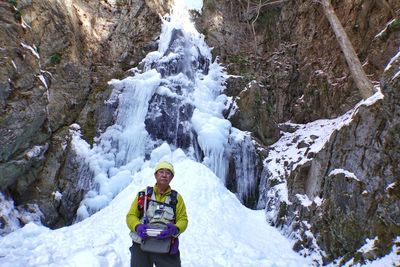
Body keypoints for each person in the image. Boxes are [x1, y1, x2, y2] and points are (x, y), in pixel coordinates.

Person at [126, 161, 188, 267]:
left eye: (168, 173)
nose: (164, 175)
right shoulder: (144, 194)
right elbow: (131, 215)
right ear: (155, 175)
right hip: (141, 243)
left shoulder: (177, 198)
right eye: (161, 172)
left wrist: (175, 228)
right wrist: (137, 227)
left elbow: (183, 219)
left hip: (166, 243)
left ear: (172, 177)